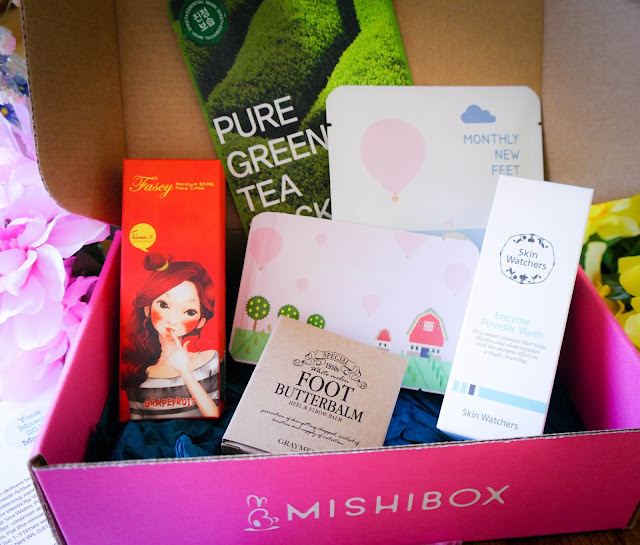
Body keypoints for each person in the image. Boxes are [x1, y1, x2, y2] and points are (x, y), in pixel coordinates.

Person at [121, 253, 220, 420]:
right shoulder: (135, 370)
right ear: (147, 308)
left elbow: (214, 414)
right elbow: (137, 423)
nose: (173, 320)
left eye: (190, 312)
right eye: (163, 305)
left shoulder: (210, 361)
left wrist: (184, 371)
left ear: (200, 321)